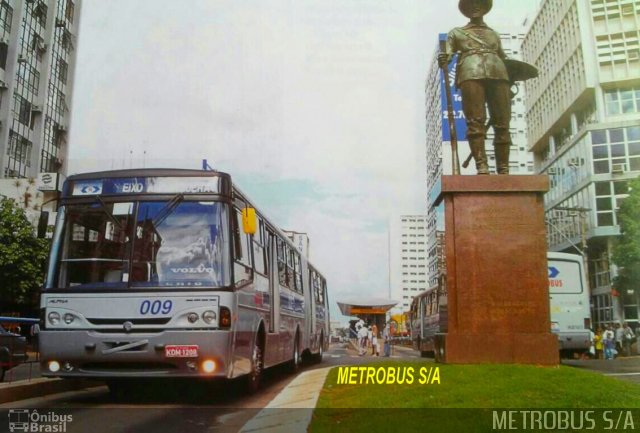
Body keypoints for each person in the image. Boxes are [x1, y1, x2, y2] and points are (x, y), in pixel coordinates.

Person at [438, 0, 512, 175]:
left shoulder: (493, 34)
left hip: (499, 74)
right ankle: (482, 166)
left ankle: (504, 168)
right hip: (470, 73)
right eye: (471, 4)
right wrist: (443, 59)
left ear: (485, 8)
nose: (475, 7)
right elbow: (447, 56)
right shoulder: (456, 33)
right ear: (466, 9)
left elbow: (504, 57)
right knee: (475, 122)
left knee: (502, 123)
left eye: (479, 3)